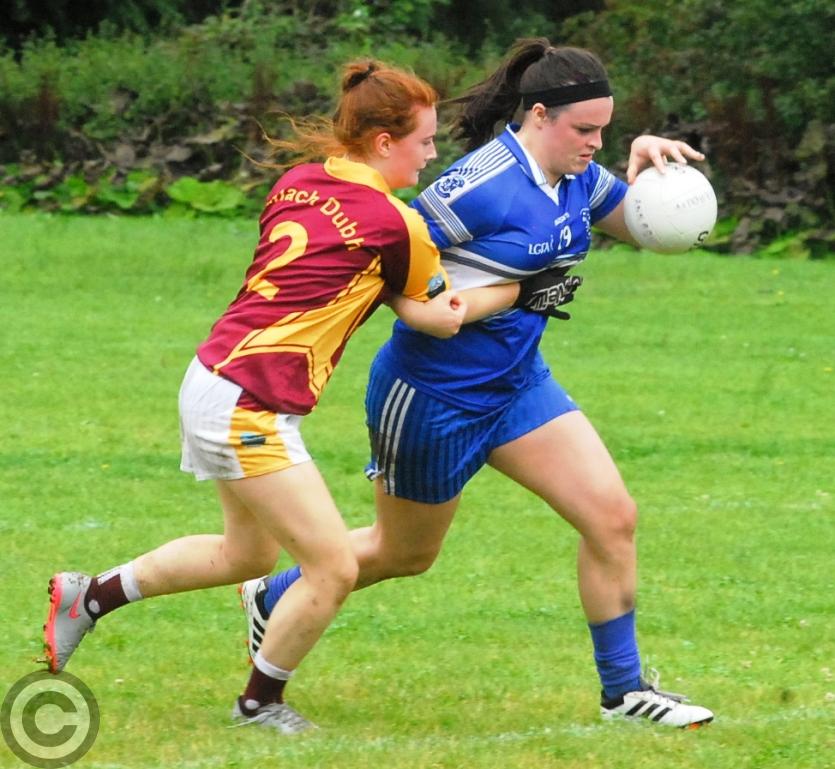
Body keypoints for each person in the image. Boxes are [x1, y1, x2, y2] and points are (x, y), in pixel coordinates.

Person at [41, 58, 572, 734]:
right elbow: (438, 316)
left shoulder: (299, 180)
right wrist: (524, 289)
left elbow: (343, 273)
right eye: (424, 141)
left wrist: (387, 283)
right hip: (248, 402)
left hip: (213, 376)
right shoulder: (396, 224)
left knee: (247, 556)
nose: (432, 154)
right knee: (333, 566)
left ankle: (89, 596)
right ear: (384, 141)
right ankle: (258, 703)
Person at [242, 40, 715, 730]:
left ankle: (624, 692)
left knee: (612, 517)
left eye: (605, 131)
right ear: (539, 115)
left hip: (518, 386)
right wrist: (487, 300)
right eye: (584, 130)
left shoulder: (581, 178)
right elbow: (387, 266)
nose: (595, 144)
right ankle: (275, 594)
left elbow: (643, 228)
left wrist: (650, 173)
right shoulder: (476, 186)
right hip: (431, 396)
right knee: (405, 553)